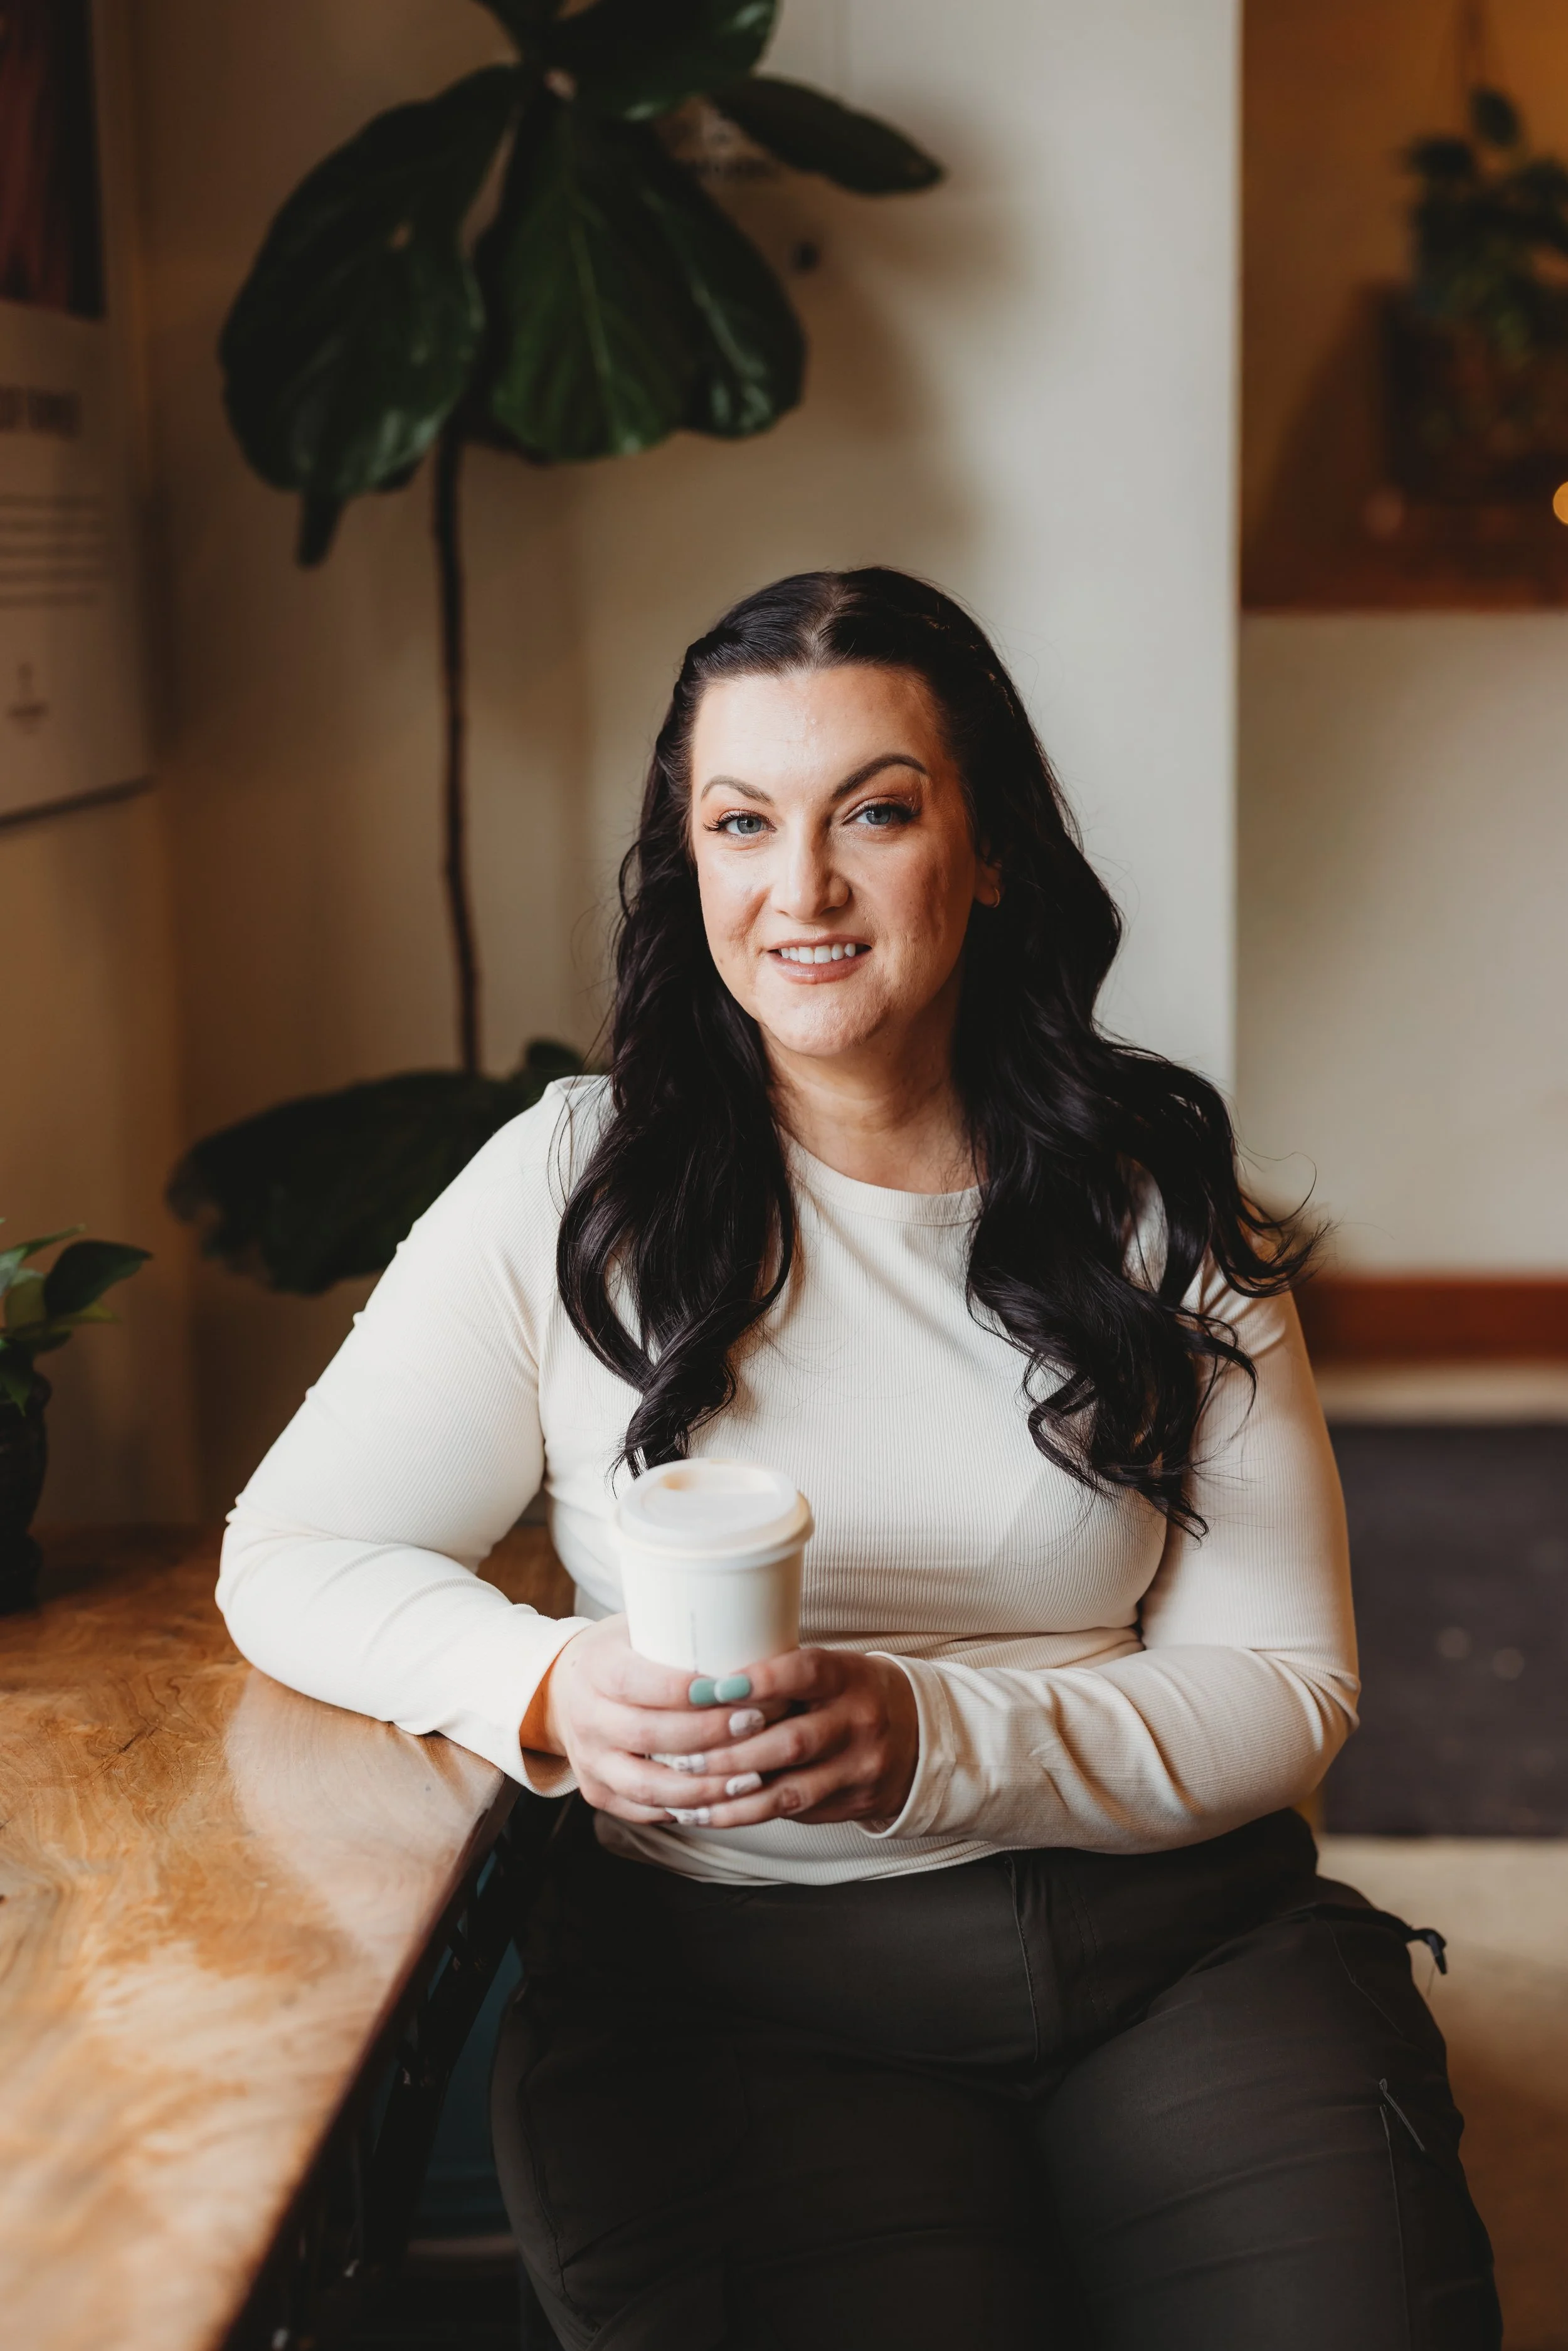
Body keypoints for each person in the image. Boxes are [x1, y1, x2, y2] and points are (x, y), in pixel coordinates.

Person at [220, 570, 1500, 2350]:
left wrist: (924, 1735)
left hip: (1177, 1951)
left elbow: (1289, 1682)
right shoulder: (569, 1187)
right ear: (690, 865)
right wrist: (547, 1684)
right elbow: (292, 1552)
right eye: (740, 823)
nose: (800, 889)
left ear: (983, 854)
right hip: (734, 1990)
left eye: (874, 813)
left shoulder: (1152, 1198)